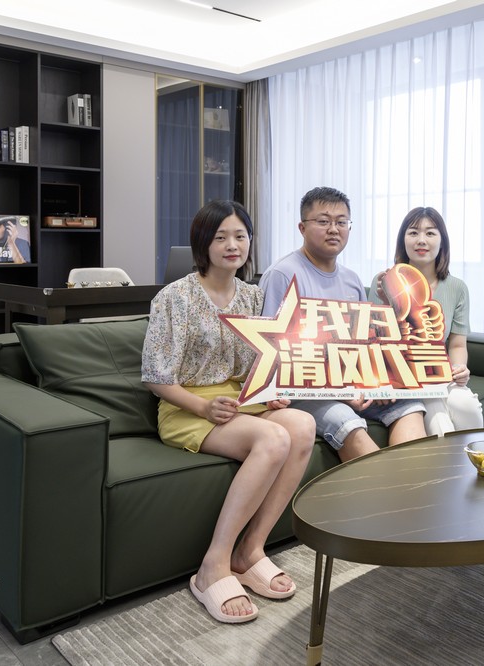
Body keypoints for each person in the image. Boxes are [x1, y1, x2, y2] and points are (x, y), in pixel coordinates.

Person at [142, 200, 316, 624]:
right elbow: (156, 377)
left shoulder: (254, 296)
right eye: (220, 237)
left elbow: (261, 362)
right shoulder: (175, 297)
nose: (232, 245)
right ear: (202, 243)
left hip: (241, 400)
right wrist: (203, 405)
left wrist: (269, 394)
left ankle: (249, 551)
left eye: (240, 236)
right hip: (187, 405)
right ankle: (213, 565)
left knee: (302, 424)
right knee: (273, 437)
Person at [259, 186, 427, 462]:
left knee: (409, 403)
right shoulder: (283, 274)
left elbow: (363, 346)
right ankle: (390, 487)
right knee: (345, 419)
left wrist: (374, 384)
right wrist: (341, 392)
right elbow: (271, 353)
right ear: (302, 227)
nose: (333, 229)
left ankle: (412, 483)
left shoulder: (351, 280)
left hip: (349, 383)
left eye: (341, 222)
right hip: (303, 391)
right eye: (323, 221)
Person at [370, 206, 483, 436]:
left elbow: (457, 345)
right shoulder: (383, 282)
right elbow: (372, 340)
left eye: (430, 233)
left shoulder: (457, 288)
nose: (421, 240)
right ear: (403, 240)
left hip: (439, 374)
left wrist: (459, 369)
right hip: (401, 378)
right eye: (413, 233)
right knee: (439, 422)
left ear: (442, 242)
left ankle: (476, 454)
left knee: (467, 405)